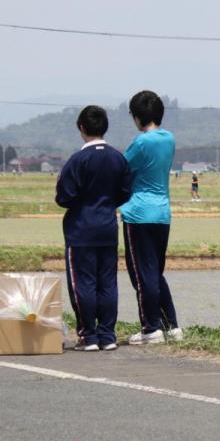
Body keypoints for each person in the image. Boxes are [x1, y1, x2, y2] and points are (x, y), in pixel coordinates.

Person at [55, 105, 132, 352]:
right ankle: (107, 335)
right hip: (108, 227)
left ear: (81, 128)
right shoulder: (117, 157)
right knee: (107, 282)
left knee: (83, 283)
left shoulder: (77, 160)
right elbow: (125, 192)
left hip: (81, 230)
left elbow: (64, 197)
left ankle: (88, 336)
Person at [120, 90, 182, 345]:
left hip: (138, 213)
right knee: (155, 271)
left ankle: (150, 328)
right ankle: (172, 326)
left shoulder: (140, 142)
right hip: (162, 213)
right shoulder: (169, 139)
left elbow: (121, 169)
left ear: (136, 117)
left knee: (140, 274)